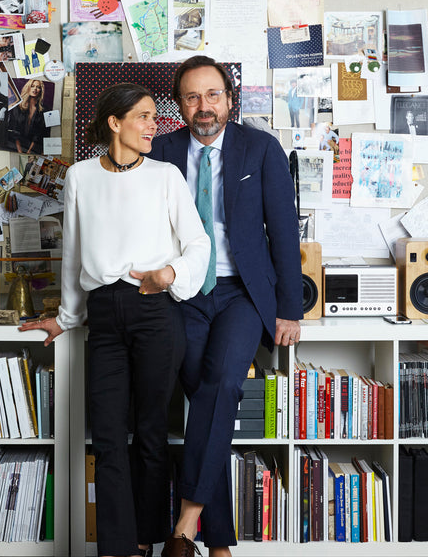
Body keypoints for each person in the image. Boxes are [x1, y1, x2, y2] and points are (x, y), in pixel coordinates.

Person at [19, 83, 210, 557]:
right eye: (144, 117)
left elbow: (199, 245)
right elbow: (74, 252)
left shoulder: (167, 175)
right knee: (106, 436)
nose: (154, 125)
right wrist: (66, 317)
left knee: (149, 434)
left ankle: (145, 541)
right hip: (104, 313)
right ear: (115, 122)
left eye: (154, 117)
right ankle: (117, 549)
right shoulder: (80, 176)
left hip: (155, 311)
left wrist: (169, 274)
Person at [147, 55, 302, 557]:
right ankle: (219, 545)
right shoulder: (162, 151)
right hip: (184, 292)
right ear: (179, 105)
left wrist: (289, 309)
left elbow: (282, 230)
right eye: (192, 97)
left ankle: (185, 525)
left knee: (223, 382)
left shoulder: (260, 148)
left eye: (213, 95)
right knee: (207, 398)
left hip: (241, 293)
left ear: (230, 100)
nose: (204, 106)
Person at [8, 79, 48, 154]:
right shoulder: (17, 107)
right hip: (14, 148)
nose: (35, 89)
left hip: (34, 149)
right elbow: (14, 131)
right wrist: (20, 151)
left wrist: (29, 151)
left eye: (38, 87)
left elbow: (39, 134)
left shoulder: (42, 111)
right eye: (32, 86)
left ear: (41, 91)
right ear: (28, 88)